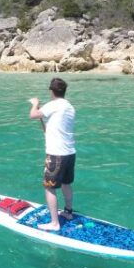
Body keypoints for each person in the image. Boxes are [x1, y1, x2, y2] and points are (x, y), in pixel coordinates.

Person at [28, 77, 76, 231]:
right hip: (69, 153)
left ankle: (54, 223)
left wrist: (35, 104)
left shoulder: (53, 105)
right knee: (66, 184)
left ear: (51, 91)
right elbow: (52, 128)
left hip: (56, 155)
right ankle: (68, 212)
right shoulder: (69, 107)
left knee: (50, 187)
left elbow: (33, 115)